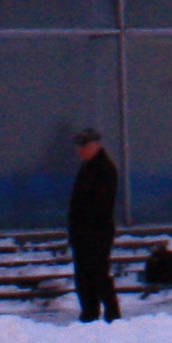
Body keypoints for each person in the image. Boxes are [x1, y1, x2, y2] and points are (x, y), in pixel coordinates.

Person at [67, 127, 122, 324]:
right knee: (84, 276)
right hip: (83, 233)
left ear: (95, 146)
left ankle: (112, 314)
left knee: (98, 274)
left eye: (84, 147)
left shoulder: (104, 169)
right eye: (79, 148)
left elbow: (100, 205)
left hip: (96, 233)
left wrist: (88, 230)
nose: (80, 151)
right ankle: (89, 313)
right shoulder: (88, 167)